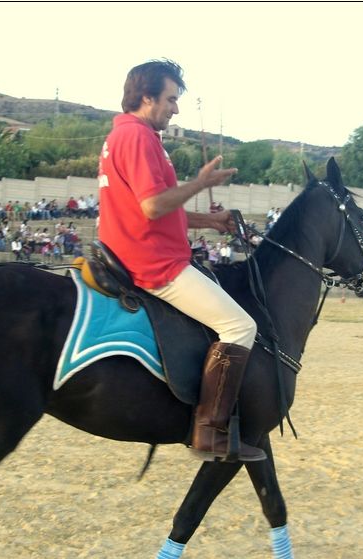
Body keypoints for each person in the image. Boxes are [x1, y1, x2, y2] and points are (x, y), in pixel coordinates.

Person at [98, 59, 264, 462]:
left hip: (137, 250)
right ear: (146, 97)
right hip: (153, 264)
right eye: (171, 99)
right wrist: (201, 183)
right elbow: (154, 206)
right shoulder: (138, 137)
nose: (176, 108)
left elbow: (153, 207)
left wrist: (210, 220)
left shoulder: (128, 135)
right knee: (241, 325)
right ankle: (209, 431)